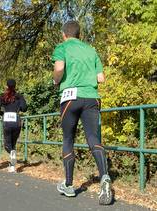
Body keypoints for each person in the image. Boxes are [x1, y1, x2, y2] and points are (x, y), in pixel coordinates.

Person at [52, 20, 112, 205]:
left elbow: (59, 68)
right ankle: (104, 177)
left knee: (68, 138)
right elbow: (101, 78)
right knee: (94, 138)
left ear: (64, 34)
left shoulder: (62, 47)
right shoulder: (91, 50)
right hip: (91, 97)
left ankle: (69, 185)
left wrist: (56, 81)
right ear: (79, 34)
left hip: (70, 97)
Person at [0, 79, 27, 173]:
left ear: (6, 86)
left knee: (7, 144)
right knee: (13, 143)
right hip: (16, 121)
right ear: (15, 86)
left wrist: (3, 113)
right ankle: (12, 166)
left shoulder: (2, 96)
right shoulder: (19, 96)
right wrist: (19, 108)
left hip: (7, 122)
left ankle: (11, 154)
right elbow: (24, 108)